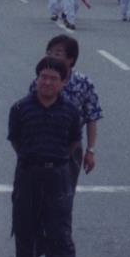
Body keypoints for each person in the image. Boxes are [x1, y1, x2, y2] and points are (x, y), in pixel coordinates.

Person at [9, 57, 82, 257]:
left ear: (63, 82)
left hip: (58, 176)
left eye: (53, 79)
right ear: (36, 78)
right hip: (28, 174)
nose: (47, 82)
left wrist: (54, 160)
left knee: (60, 233)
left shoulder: (71, 111)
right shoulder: (20, 108)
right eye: (43, 77)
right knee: (25, 231)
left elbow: (73, 143)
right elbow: (16, 140)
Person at [28, 35, 100, 188]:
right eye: (49, 53)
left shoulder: (83, 83)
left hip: (70, 145)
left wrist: (90, 151)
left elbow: (91, 118)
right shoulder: (39, 82)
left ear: (70, 59)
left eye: (57, 53)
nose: (51, 57)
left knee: (64, 192)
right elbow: (27, 114)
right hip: (40, 143)